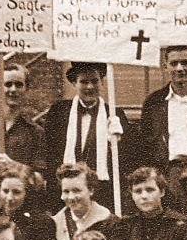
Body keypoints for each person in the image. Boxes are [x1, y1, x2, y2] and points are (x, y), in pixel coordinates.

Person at [43, 62, 129, 211]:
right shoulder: (59, 112)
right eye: (84, 81)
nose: (89, 87)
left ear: (102, 82)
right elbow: (49, 153)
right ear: (74, 83)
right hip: (66, 191)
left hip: (101, 192)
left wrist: (118, 142)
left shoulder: (115, 114)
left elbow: (126, 160)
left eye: (94, 81)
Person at [0, 63, 46, 179]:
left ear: (26, 88)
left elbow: (41, 180)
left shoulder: (36, 133)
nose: (13, 89)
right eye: (8, 84)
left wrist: (13, 166)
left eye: (18, 85)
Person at [51, 163, 115, 240]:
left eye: (76, 190)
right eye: (66, 191)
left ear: (91, 190)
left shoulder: (111, 223)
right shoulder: (54, 224)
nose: (71, 197)